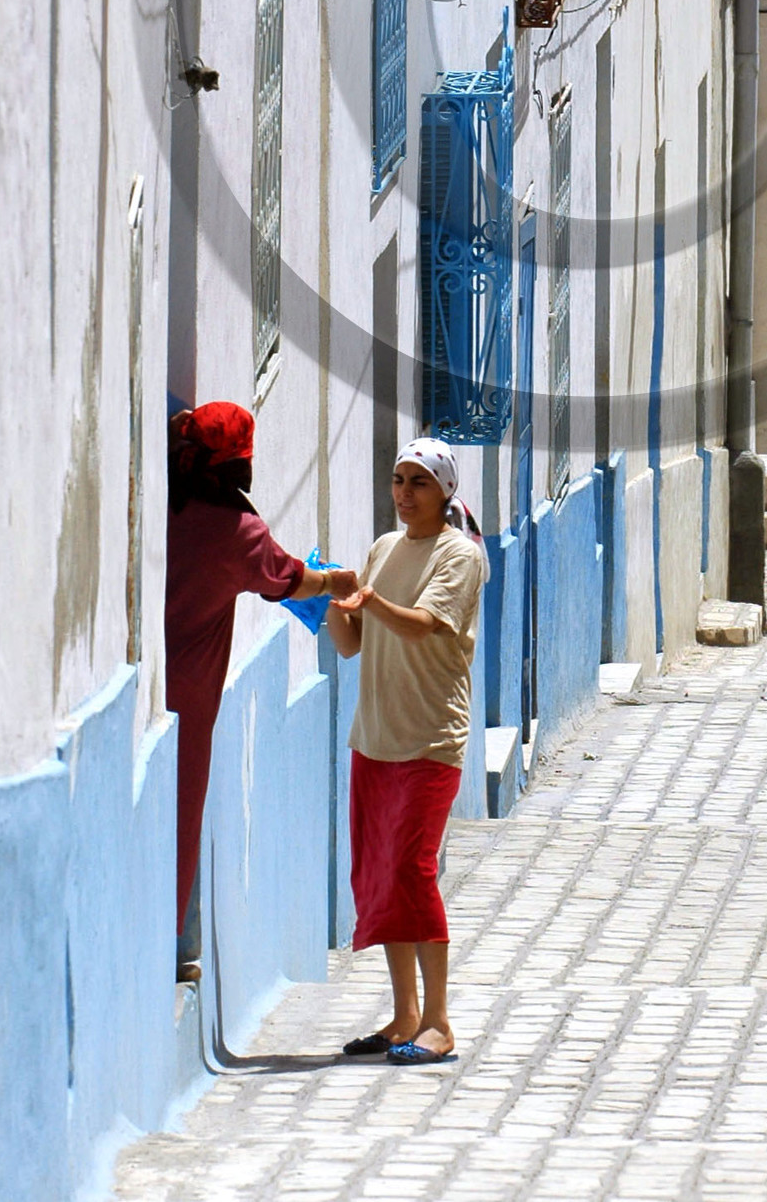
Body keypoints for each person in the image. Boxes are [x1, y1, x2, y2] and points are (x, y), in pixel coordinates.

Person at [164, 403, 355, 977]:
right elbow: (288, 578)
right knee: (182, 812)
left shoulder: (166, 499)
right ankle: (167, 947)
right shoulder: (236, 532)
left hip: (153, 673)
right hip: (190, 692)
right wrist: (336, 580)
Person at [327, 438, 487, 1066]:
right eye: (398, 480)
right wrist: (333, 603)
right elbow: (349, 644)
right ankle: (403, 1017)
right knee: (384, 877)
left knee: (415, 873)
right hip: (375, 738)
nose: (404, 493)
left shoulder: (460, 555)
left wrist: (372, 602)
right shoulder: (383, 549)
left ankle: (440, 1022)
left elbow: (424, 624)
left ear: (444, 492)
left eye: (418, 483)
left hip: (429, 737)